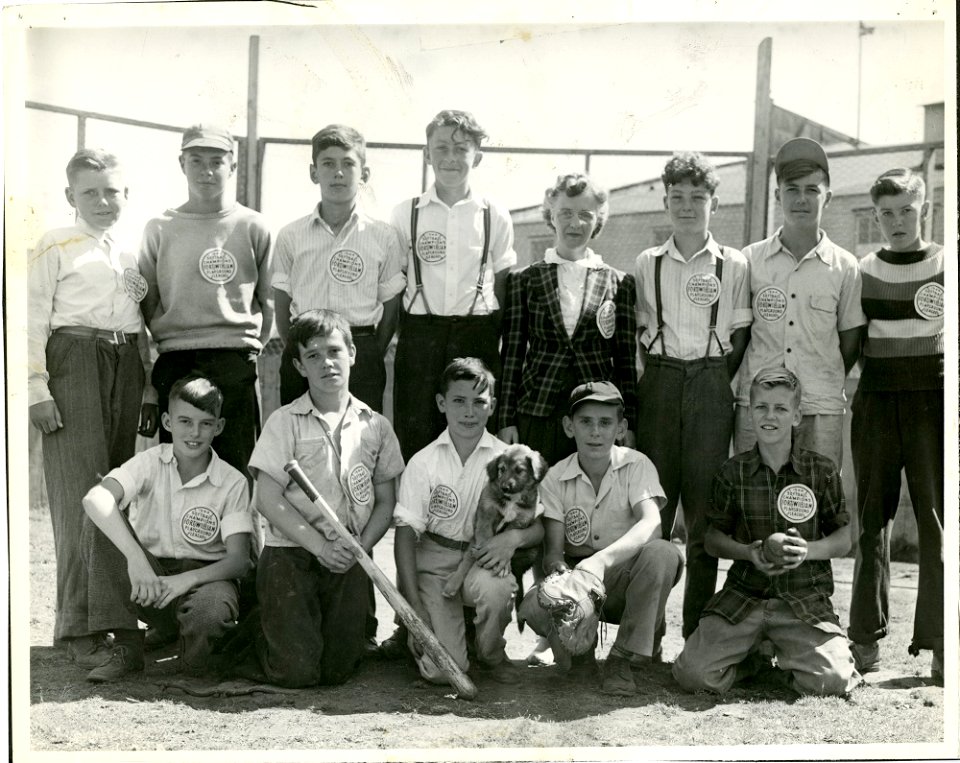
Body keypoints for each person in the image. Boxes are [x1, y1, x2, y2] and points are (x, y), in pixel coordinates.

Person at [28, 148, 157, 668]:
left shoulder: (131, 253)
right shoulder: (53, 244)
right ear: (70, 197)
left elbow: (142, 324)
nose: (103, 202)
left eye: (112, 192)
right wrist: (36, 388)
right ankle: (77, 625)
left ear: (127, 195)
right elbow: (29, 319)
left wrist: (146, 386)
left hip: (125, 362)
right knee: (80, 488)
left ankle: (115, 621)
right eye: (90, 193)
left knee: (114, 490)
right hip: (73, 358)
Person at [673, 368, 861, 697]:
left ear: (797, 415)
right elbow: (713, 540)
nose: (769, 416)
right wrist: (748, 553)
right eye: (761, 407)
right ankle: (754, 663)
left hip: (801, 601)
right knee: (692, 675)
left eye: (780, 408)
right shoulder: (733, 471)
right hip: (745, 598)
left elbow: (844, 539)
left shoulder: (821, 471)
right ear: (750, 413)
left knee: (834, 682)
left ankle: (794, 660)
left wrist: (807, 551)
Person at [245, 309, 403, 687]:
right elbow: (267, 498)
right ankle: (256, 631)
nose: (326, 363)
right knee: (297, 673)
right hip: (292, 554)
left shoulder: (376, 426)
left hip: (348, 557)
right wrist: (319, 546)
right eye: (313, 355)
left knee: (338, 672)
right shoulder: (284, 421)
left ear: (352, 353)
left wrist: (358, 548)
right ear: (299, 366)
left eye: (334, 351)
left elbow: (385, 502)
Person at [634, 152, 751, 638]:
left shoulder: (735, 264)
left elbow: (741, 335)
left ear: (714, 204)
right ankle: (648, 632)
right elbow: (638, 332)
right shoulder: (648, 263)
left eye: (697, 198)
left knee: (703, 516)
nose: (687, 207)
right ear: (665, 203)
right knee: (654, 512)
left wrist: (715, 380)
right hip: (659, 382)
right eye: (677, 198)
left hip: (709, 382)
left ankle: (695, 633)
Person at [79, 376, 253, 682]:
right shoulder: (150, 461)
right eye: (185, 421)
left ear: (220, 426)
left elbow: (239, 561)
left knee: (204, 639)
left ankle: (186, 644)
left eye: (205, 423)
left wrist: (187, 580)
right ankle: (127, 647)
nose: (194, 433)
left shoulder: (233, 481)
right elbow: (96, 498)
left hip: (203, 581)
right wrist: (136, 559)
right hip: (148, 578)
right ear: (167, 421)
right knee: (98, 521)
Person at [517, 381, 683, 696]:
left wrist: (601, 561)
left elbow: (653, 523)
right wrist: (563, 578)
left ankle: (623, 657)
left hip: (625, 578)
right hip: (580, 581)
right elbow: (553, 552)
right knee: (541, 615)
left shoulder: (637, 464)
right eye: (586, 422)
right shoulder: (555, 477)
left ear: (620, 428)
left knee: (663, 553)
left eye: (605, 423)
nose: (596, 431)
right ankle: (581, 657)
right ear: (569, 426)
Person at [847, 168, 944, 684]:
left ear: (923, 207)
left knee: (935, 522)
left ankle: (941, 643)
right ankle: (864, 640)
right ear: (876, 216)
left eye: (907, 209)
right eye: (886, 213)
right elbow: (852, 341)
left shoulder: (947, 262)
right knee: (870, 522)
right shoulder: (864, 268)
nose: (897, 221)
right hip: (878, 400)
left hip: (933, 400)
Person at [393, 357, 543, 686]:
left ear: (492, 406)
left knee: (498, 588)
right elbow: (404, 536)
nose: (469, 412)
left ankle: (491, 654)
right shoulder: (424, 462)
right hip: (434, 561)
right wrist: (413, 608)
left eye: (479, 402)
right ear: (441, 403)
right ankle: (424, 634)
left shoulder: (510, 457)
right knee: (443, 672)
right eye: (459, 401)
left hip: (482, 557)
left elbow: (538, 525)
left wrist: (512, 540)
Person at [139, 123, 273, 480]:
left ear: (232, 166)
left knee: (236, 468)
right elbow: (148, 301)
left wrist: (246, 346)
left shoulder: (253, 225)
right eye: (196, 160)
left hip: (233, 357)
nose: (206, 170)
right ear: (181, 164)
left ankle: (241, 538)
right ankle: (177, 538)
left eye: (216, 160)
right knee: (180, 469)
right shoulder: (159, 227)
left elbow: (268, 301)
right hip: (176, 360)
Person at [390, 109, 517, 463]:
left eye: (461, 148)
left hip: (476, 335)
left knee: (475, 439)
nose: (450, 157)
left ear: (477, 155)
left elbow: (504, 288)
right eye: (441, 148)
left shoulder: (494, 214)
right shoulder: (406, 212)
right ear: (427, 154)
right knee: (416, 439)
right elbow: (395, 284)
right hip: (420, 339)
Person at [735, 138, 865, 468]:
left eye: (812, 190)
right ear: (778, 196)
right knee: (755, 501)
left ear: (829, 198)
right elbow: (741, 335)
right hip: (760, 405)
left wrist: (819, 374)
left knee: (818, 504)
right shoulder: (751, 260)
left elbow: (849, 342)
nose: (801, 199)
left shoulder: (845, 266)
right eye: (792, 189)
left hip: (820, 406)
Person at [499, 173, 638, 465]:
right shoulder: (524, 280)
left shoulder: (619, 282)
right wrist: (506, 419)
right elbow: (512, 357)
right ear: (551, 214)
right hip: (538, 410)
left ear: (598, 219)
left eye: (585, 215)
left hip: (595, 416)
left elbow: (625, 362)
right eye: (565, 213)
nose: (575, 223)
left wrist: (630, 423)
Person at [273, 123, 406, 411]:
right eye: (328, 163)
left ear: (364, 174)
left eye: (348, 163)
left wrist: (368, 351)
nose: (339, 172)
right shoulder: (290, 235)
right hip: (305, 346)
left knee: (361, 441)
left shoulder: (383, 235)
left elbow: (391, 306)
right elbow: (282, 303)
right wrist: (300, 346)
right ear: (313, 172)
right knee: (301, 437)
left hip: (360, 350)